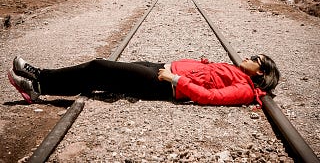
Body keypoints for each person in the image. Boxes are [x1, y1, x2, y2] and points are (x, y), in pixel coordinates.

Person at [7, 54, 280, 106]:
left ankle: (40, 80)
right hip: (162, 69)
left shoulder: (246, 89)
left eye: (256, 59)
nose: (251, 57)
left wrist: (175, 79)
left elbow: (211, 98)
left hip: (164, 83)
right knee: (107, 78)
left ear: (261, 72)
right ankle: (38, 86)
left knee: (99, 67)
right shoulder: (239, 73)